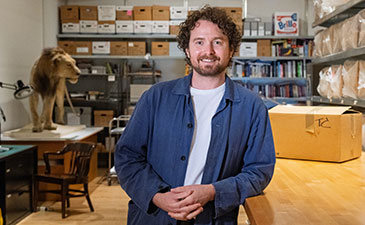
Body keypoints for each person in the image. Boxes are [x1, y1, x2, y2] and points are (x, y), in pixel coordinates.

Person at [115, 6, 276, 225]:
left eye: (217, 42)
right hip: (154, 218)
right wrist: (158, 196)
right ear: (188, 50)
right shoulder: (155, 98)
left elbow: (259, 172)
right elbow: (127, 157)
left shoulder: (252, 107)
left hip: (212, 219)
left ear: (231, 50)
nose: (208, 51)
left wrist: (212, 192)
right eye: (199, 42)